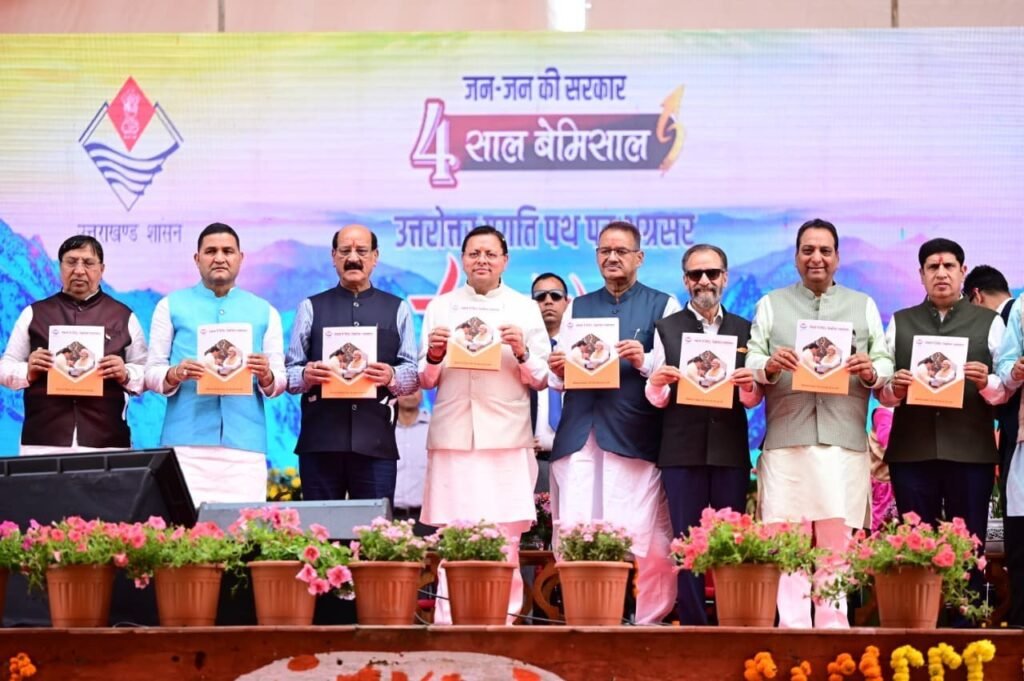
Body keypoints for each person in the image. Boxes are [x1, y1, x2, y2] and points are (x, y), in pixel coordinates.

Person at [746, 218, 892, 629]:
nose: (817, 258)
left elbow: (884, 361)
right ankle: (792, 630)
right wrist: (769, 365)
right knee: (788, 543)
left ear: (837, 258)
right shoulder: (772, 304)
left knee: (835, 547)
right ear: (796, 257)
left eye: (825, 251)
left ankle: (833, 630)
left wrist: (870, 370)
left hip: (842, 443)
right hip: (786, 441)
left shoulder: (862, 305)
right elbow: (752, 357)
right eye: (808, 250)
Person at [548, 220, 681, 625]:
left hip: (633, 434)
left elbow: (672, 371)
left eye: (621, 251)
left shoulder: (663, 305)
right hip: (580, 434)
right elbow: (559, 376)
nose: (612, 258)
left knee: (647, 538)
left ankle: (649, 623)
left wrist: (644, 360)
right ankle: (584, 620)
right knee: (575, 531)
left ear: (639, 257)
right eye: (605, 251)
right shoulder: (578, 307)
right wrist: (558, 367)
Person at [419, 225, 550, 625]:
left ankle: (503, 622)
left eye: (490, 254)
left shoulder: (524, 308)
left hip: (506, 438)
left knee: (505, 539)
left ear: (504, 261)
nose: (482, 260)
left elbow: (542, 377)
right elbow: (425, 379)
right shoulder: (441, 307)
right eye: (474, 253)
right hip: (454, 435)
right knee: (455, 536)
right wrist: (435, 355)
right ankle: (448, 623)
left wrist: (522, 351)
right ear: (463, 259)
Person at [879, 238, 1009, 617]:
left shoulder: (989, 322)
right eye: (932, 267)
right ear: (921, 275)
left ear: (963, 272)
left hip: (970, 452)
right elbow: (883, 392)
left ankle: (963, 624)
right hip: (912, 451)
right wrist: (894, 387)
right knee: (915, 543)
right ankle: (918, 621)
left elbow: (1004, 389)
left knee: (968, 545)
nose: (941, 273)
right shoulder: (901, 321)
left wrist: (986, 381)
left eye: (949, 266)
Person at [645, 243, 762, 625]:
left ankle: (731, 622)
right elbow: (656, 397)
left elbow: (751, 400)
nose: (705, 281)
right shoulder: (666, 328)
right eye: (696, 274)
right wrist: (657, 383)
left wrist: (749, 386)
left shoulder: (745, 329)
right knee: (686, 543)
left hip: (729, 450)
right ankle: (693, 626)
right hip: (681, 450)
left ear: (725, 278)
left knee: (729, 539)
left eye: (712, 273)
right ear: (686, 281)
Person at [144, 223, 286, 505]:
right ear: (197, 259)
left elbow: (280, 381)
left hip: (244, 447)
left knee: (244, 527)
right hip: (185, 444)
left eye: (227, 251)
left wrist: (266, 375)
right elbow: (151, 373)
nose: (219, 258)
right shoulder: (170, 306)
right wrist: (175, 373)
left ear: (240, 258)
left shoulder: (265, 311)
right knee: (184, 526)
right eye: (211, 251)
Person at [286, 224, 418, 505]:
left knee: (374, 529)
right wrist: (306, 375)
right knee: (320, 528)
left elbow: (412, 374)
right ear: (334, 256)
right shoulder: (310, 307)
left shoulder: (398, 309)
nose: (353, 258)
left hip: (376, 444)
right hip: (320, 443)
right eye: (345, 251)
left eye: (362, 251)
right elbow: (289, 375)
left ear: (375, 257)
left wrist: (391, 376)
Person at [0, 234, 148, 454]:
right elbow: (5, 367)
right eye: (71, 262)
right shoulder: (34, 314)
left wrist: (125, 373)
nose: (79, 270)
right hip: (42, 442)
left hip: (106, 441)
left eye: (88, 263)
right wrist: (27, 371)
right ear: (60, 267)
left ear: (101, 269)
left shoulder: (123, 316)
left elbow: (147, 374)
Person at [969, 264, 1023, 625]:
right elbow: (1005, 370)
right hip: (1019, 437)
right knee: (1020, 537)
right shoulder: (1020, 310)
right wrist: (1013, 372)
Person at [530, 273, 570, 495]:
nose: (547, 301)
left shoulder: (583, 348)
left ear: (567, 302)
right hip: (531, 460)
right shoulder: (519, 350)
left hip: (576, 457)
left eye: (555, 295)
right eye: (540, 296)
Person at [393, 389, 431, 535]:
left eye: (415, 389)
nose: (410, 394)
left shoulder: (434, 427)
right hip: (390, 519)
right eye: (405, 388)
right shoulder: (383, 428)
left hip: (426, 519)